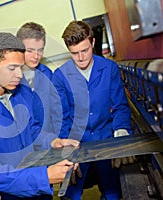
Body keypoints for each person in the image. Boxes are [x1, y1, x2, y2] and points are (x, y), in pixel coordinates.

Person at [0, 32, 79, 199]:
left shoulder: (17, 94)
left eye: (20, 67)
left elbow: (31, 131)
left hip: (37, 191)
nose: (20, 75)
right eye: (12, 68)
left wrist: (52, 141)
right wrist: (43, 177)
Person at [52, 20, 134, 200]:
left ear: (93, 43)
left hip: (106, 139)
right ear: (68, 50)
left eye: (85, 50)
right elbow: (63, 117)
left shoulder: (109, 68)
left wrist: (121, 134)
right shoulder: (59, 76)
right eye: (74, 53)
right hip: (77, 143)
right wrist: (64, 150)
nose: (81, 57)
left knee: (113, 193)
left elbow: (120, 106)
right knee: (71, 194)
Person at [16, 22, 61, 134]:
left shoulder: (48, 74)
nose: (36, 56)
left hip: (51, 143)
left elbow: (57, 112)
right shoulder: (10, 81)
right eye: (30, 51)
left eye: (40, 50)